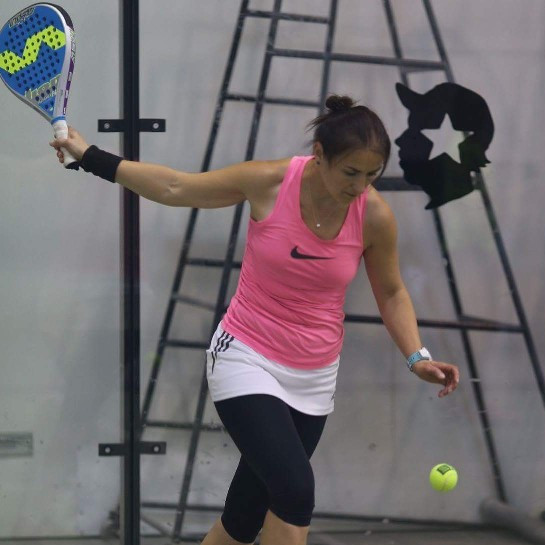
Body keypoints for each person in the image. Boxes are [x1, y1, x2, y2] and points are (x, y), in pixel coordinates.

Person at [50, 94, 460, 545]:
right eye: (350, 172)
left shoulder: (375, 216)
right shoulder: (269, 182)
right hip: (246, 357)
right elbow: (175, 188)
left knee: (243, 519)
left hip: (315, 378)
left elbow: (392, 291)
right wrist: (89, 157)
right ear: (319, 155)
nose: (360, 186)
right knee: (295, 490)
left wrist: (417, 357)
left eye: (371, 174)